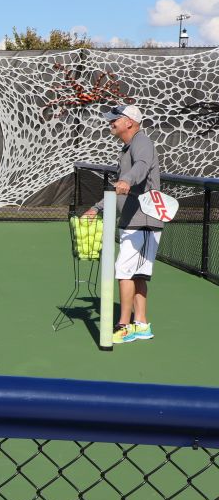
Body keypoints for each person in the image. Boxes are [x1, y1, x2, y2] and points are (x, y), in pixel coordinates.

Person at [83, 104, 162, 343]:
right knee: (137, 275)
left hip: (144, 221)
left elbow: (142, 166)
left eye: (116, 119)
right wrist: (96, 208)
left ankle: (124, 325)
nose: (111, 122)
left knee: (124, 271)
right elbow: (120, 191)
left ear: (130, 122)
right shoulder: (127, 148)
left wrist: (126, 179)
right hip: (132, 222)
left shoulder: (142, 142)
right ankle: (141, 324)